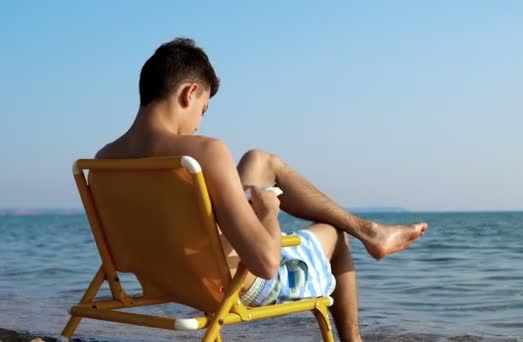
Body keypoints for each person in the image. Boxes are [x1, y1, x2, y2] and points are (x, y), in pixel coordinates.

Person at [96, 37, 428, 342]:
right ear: (188, 93)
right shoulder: (202, 152)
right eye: (203, 108)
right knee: (335, 234)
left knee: (259, 160)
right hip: (233, 285)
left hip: (169, 276)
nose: (198, 123)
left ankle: (370, 231)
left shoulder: (103, 161)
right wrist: (268, 214)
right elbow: (267, 265)